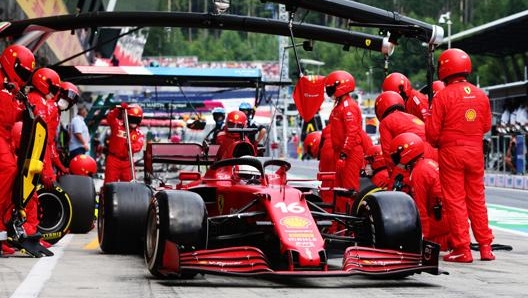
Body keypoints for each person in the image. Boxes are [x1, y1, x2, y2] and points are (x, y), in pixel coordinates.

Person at [426, 48, 494, 262]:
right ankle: (485, 247)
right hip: (475, 152)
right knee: (477, 199)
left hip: (451, 153)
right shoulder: (481, 94)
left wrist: (442, 141)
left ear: (444, 68)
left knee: (455, 201)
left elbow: (432, 133)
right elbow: (485, 125)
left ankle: (462, 249)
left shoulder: (443, 96)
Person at [0, 45, 36, 255]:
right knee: (8, 169)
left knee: (13, 177)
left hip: (5, 136)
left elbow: (9, 115)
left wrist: (22, 108)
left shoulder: (10, 88)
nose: (23, 77)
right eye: (22, 71)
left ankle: (3, 231)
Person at [389, 132, 452, 251]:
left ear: (405, 154)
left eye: (396, 156)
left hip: (441, 220)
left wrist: (421, 240)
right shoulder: (428, 163)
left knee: (404, 234)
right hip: (449, 218)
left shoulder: (418, 173)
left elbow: (420, 210)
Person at [375, 90, 437, 192]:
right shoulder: (411, 116)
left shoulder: (386, 122)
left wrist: (393, 177)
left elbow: (388, 154)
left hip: (416, 154)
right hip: (433, 153)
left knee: (395, 194)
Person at [324, 70, 364, 209]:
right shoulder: (339, 106)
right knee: (340, 191)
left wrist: (344, 154)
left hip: (349, 153)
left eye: (330, 88)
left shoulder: (349, 107)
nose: (329, 92)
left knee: (349, 191)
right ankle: (342, 225)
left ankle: (352, 227)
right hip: (341, 153)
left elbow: (351, 132)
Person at [104, 102, 145, 184]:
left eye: (136, 120)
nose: (134, 122)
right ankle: (105, 196)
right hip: (113, 160)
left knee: (130, 185)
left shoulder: (139, 133)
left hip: (128, 162)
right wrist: (117, 110)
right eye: (132, 119)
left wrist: (130, 145)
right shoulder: (117, 125)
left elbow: (138, 146)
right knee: (109, 184)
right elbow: (109, 118)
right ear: (126, 117)